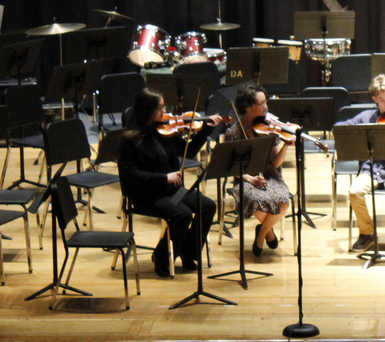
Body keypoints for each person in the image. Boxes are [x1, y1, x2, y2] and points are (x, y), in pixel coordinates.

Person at [118, 88, 221, 277]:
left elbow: (188, 152)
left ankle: (187, 252)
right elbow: (130, 175)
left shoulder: (167, 132)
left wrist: (206, 128)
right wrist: (164, 177)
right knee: (183, 215)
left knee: (208, 206)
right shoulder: (130, 140)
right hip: (147, 195)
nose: (165, 113)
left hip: (172, 191)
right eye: (161, 108)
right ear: (147, 110)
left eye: (164, 107)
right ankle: (162, 258)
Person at [336, 73, 385, 253]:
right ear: (375, 99)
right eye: (382, 100)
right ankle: (367, 233)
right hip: (371, 169)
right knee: (355, 192)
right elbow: (343, 126)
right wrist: (341, 130)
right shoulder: (366, 117)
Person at [223, 82, 291, 257]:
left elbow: (275, 163)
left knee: (283, 202)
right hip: (245, 178)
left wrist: (286, 146)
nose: (266, 107)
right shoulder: (233, 133)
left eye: (266, 102)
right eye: (261, 104)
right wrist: (250, 179)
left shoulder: (269, 128)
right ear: (247, 107)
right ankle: (269, 232)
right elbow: (229, 166)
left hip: (270, 175)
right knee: (256, 201)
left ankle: (262, 233)